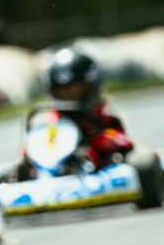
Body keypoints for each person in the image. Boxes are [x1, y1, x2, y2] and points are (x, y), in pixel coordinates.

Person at [15, 48, 133, 179]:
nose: (69, 97)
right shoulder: (49, 124)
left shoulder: (106, 121)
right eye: (63, 91)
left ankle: (73, 170)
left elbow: (124, 145)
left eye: (75, 90)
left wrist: (100, 140)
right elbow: (29, 152)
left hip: (96, 174)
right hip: (48, 175)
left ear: (91, 88)